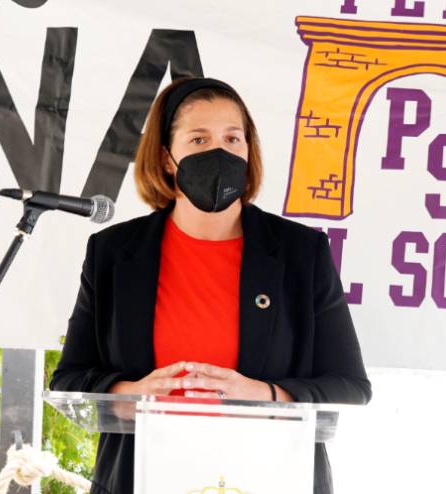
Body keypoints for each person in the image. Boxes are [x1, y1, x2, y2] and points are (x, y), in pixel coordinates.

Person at [50, 77, 372, 494]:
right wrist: (134, 394)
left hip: (270, 474)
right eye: (199, 140)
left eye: (232, 138)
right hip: (142, 475)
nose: (219, 152)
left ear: (249, 151)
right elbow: (70, 379)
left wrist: (266, 395)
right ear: (167, 158)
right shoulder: (113, 253)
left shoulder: (301, 253)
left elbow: (351, 386)